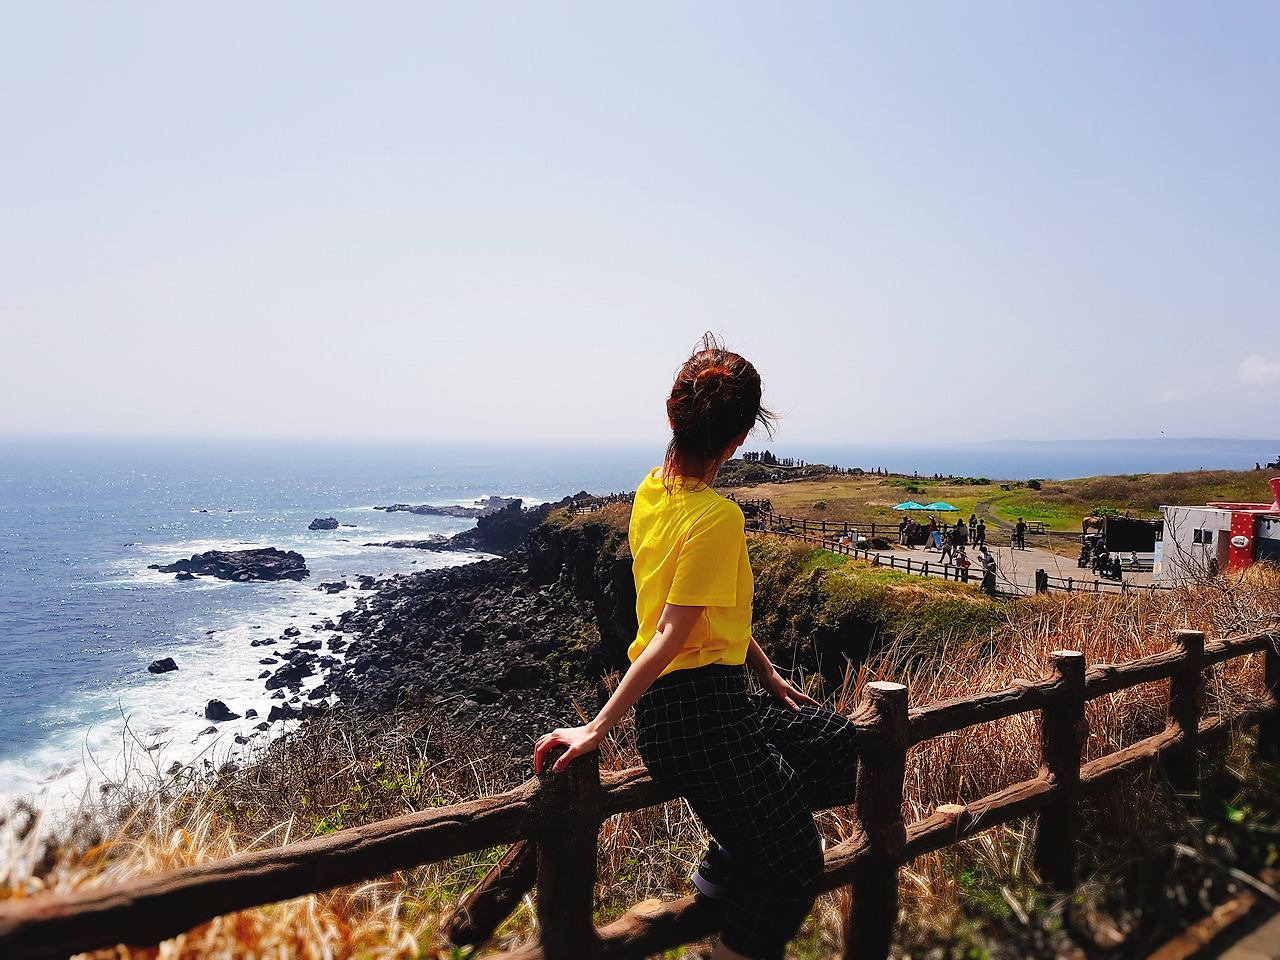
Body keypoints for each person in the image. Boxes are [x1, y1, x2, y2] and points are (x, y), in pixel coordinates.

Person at [534, 336, 860, 960]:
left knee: (836, 743)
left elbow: (696, 610)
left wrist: (766, 673)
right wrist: (596, 729)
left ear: (670, 412)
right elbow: (669, 635)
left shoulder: (650, 491)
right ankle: (728, 935)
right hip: (698, 717)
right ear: (739, 440)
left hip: (709, 704)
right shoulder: (716, 517)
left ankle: (725, 863)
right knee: (796, 863)